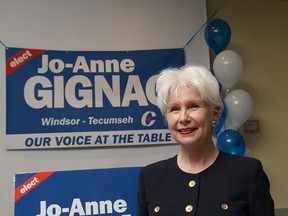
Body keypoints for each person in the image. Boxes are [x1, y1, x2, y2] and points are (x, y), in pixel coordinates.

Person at [137, 64, 274, 216]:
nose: (183, 118)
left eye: (193, 106)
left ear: (215, 115)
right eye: (174, 109)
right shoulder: (150, 177)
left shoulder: (247, 173)